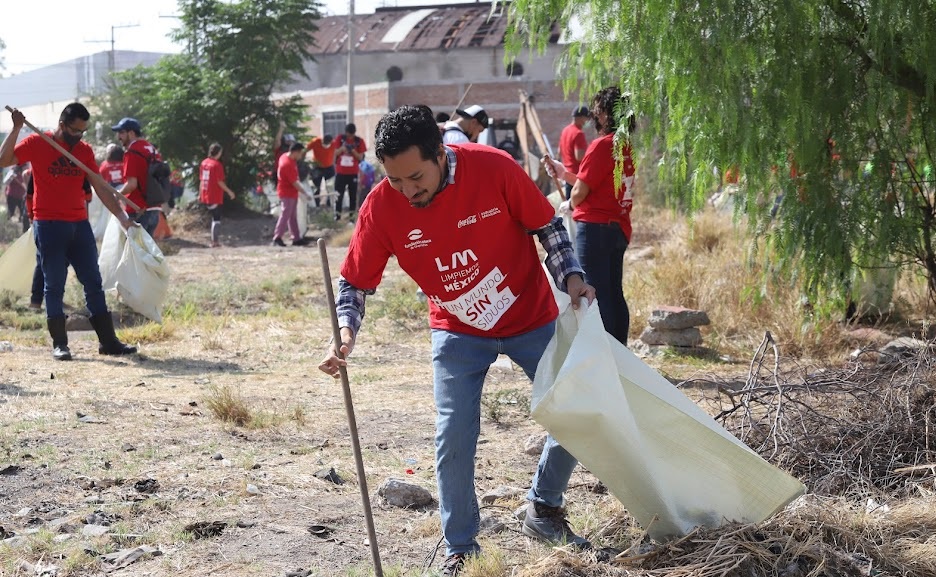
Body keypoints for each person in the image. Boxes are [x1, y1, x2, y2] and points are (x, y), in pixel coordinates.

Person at [318, 105, 596, 576]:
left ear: (441, 154)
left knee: (577, 408)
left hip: (528, 314)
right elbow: (355, 284)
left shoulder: (494, 169)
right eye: (395, 180)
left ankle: (544, 508)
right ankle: (461, 547)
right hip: (457, 329)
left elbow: (546, 227)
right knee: (454, 435)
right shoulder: (383, 205)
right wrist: (345, 333)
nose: (407, 191)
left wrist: (571, 275)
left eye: (415, 177)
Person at [0, 104, 138, 360]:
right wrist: (16, 128)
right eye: (75, 130)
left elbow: (101, 187)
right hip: (49, 226)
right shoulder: (37, 143)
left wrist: (121, 217)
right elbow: (4, 160)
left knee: (94, 283)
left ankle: (108, 342)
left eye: (83, 132)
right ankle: (60, 344)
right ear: (62, 125)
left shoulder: (84, 151)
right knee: (54, 286)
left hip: (79, 227)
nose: (79, 136)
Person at [543, 87, 635, 346]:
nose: (594, 115)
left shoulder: (602, 145)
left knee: (594, 293)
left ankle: (602, 354)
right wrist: (564, 174)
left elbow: (582, 191)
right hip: (617, 228)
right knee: (614, 293)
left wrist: (569, 203)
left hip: (595, 229)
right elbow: (592, 184)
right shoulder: (624, 146)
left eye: (597, 110)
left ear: (605, 114)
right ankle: (620, 354)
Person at [112, 117, 162, 236]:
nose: (118, 137)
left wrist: (117, 195)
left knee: (135, 251)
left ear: (131, 133)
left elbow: (131, 184)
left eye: (121, 132)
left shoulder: (132, 152)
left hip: (139, 210)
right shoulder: (152, 149)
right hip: (155, 208)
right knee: (146, 252)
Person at [272, 142, 313, 247]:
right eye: (300, 153)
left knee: (292, 216)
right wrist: (305, 193)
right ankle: (277, 237)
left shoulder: (286, 157)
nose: (301, 156)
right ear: (295, 152)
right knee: (285, 215)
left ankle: (296, 238)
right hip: (287, 192)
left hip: (291, 192)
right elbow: (294, 182)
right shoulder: (287, 164)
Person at [199, 143, 237, 247]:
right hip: (214, 195)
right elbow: (219, 181)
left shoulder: (204, 163)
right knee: (216, 218)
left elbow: (202, 180)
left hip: (205, 194)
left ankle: (214, 240)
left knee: (214, 217)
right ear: (218, 152)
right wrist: (230, 192)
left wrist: (200, 194)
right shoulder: (217, 165)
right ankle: (214, 241)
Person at [330, 123, 366, 220]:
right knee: (338, 194)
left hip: (353, 173)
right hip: (340, 172)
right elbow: (334, 153)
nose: (350, 137)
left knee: (353, 196)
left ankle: (352, 217)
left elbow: (361, 157)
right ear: (346, 133)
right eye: (349, 135)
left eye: (352, 135)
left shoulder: (359, 141)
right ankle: (337, 215)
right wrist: (342, 148)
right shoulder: (340, 139)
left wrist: (353, 151)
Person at [558, 106, 590, 199]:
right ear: (580, 117)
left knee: (569, 206)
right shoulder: (578, 133)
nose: (587, 121)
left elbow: (559, 151)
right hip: (576, 176)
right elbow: (579, 156)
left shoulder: (565, 130)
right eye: (586, 118)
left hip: (566, 173)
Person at [306, 134, 335, 208]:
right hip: (317, 167)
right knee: (317, 187)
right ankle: (316, 205)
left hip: (329, 168)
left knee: (330, 186)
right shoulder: (316, 142)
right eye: (324, 143)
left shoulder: (334, 144)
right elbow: (305, 150)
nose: (325, 145)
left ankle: (329, 204)